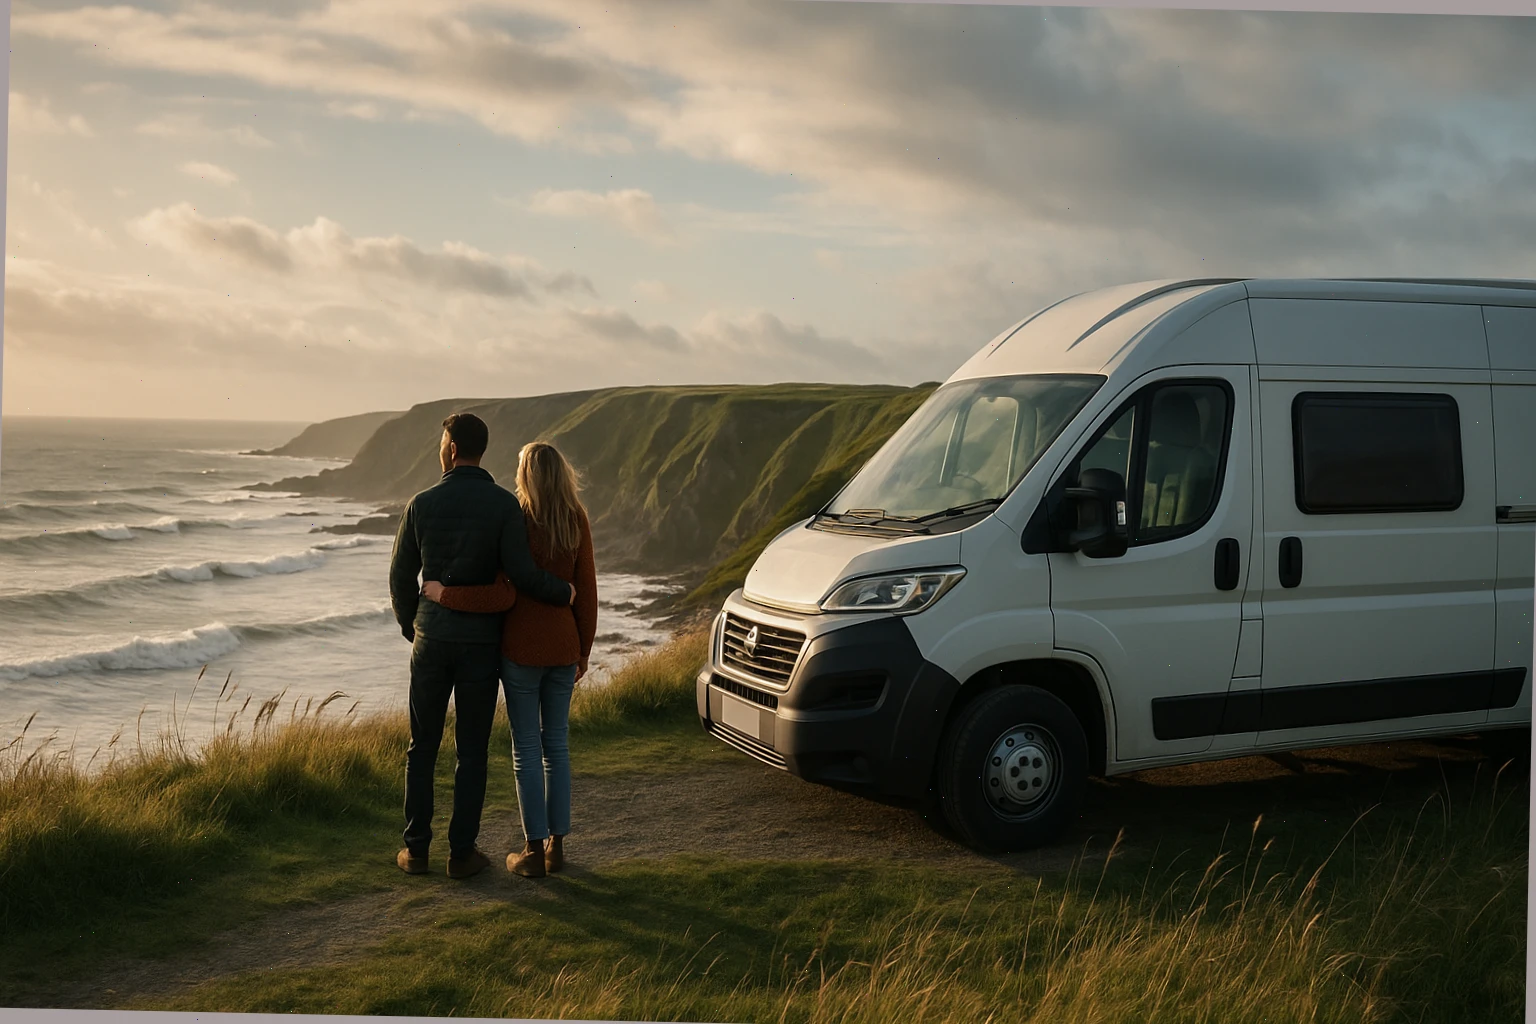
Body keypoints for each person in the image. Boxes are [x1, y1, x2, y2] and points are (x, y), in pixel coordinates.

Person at [388, 414, 577, 881]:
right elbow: (520, 574)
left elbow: (399, 578)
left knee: (422, 746)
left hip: (432, 642)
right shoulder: (502, 506)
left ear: (451, 448)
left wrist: (416, 627)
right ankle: (462, 854)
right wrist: (564, 593)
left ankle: (415, 850)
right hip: (480, 646)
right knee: (471, 750)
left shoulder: (421, 504)